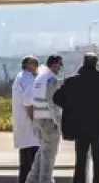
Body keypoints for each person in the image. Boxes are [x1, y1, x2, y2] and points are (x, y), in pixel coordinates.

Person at [53, 54, 99, 183]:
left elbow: (57, 98)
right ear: (95, 64)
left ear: (83, 63)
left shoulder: (72, 81)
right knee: (98, 159)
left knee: (81, 159)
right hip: (98, 126)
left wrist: (70, 108)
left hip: (79, 126)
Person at [26, 55, 63, 183]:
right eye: (60, 65)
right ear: (54, 65)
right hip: (49, 121)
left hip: (39, 119)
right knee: (49, 157)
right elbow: (52, 104)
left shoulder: (39, 78)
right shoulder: (51, 79)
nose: (60, 68)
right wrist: (58, 122)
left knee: (42, 153)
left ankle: (32, 180)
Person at [11, 56, 40, 183]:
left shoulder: (19, 77)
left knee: (24, 165)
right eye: (36, 64)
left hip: (22, 128)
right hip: (30, 130)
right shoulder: (29, 80)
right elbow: (29, 104)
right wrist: (37, 123)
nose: (37, 68)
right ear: (29, 65)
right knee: (31, 166)